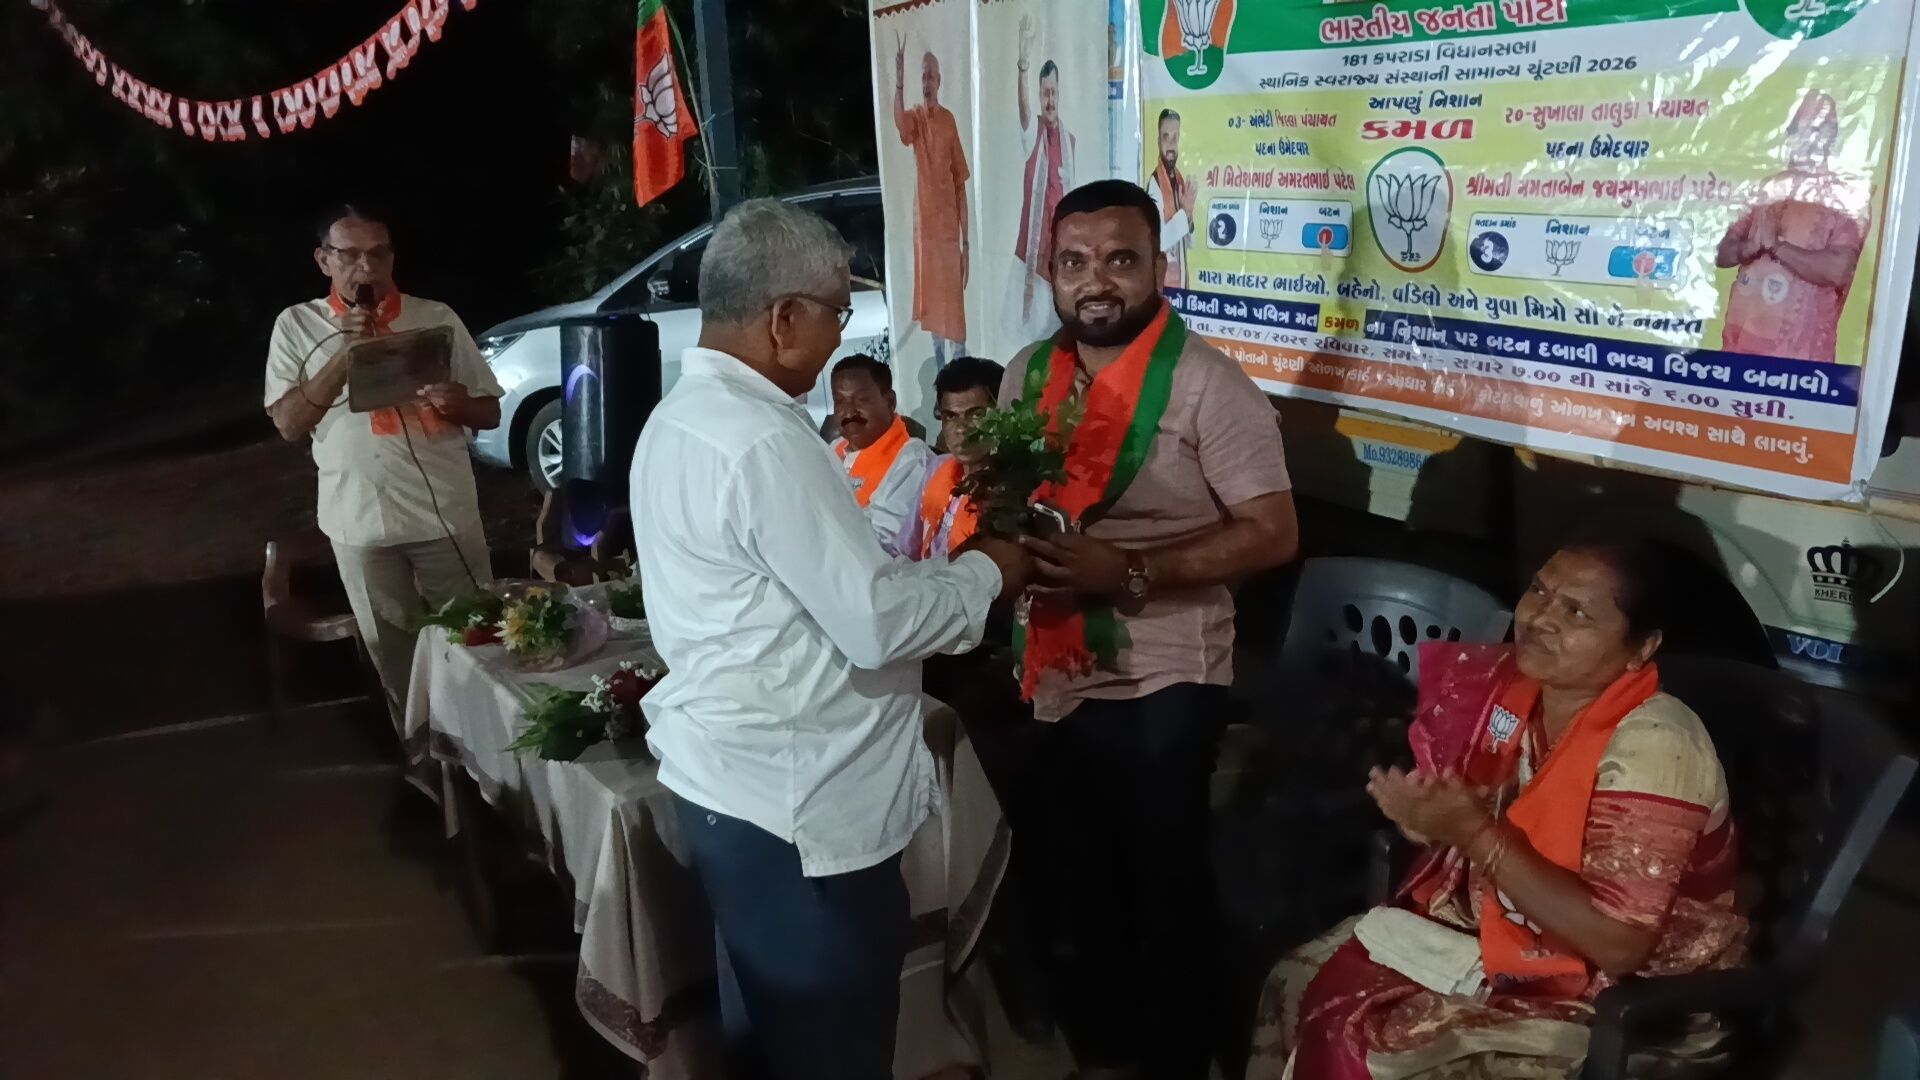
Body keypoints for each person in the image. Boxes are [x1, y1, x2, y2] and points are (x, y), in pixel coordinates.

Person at [627, 199, 1031, 1080]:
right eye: (837, 314)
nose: (841, 335)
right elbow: (876, 620)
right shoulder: (763, 442)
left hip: (737, 784)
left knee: (770, 1037)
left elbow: (828, 592)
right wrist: (988, 572)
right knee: (831, 1048)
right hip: (796, 807)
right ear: (783, 318)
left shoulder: (680, 417)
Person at [1246, 542, 1747, 1080]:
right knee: (1295, 979)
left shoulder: (1656, 748)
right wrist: (1430, 821)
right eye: (1539, 591)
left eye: (1576, 612)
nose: (1540, 618)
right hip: (1493, 927)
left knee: (1386, 1048)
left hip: (1625, 996)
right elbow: (1479, 818)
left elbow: (1619, 945)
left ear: (1641, 647)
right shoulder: (1507, 692)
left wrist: (1473, 833)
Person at [1004, 179, 1299, 1079]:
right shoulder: (1027, 376)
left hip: (1166, 666)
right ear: (1051, 272)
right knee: (1075, 882)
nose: (1097, 282)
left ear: (1158, 268)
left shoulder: (1209, 384)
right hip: (1054, 662)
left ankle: (1178, 1062)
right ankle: (1105, 1058)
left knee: (1162, 890)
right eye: (1075, 262)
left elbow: (1274, 532)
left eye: (1120, 260)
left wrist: (1131, 570)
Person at [263, 204, 502, 718]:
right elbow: (288, 423)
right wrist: (345, 354)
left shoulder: (435, 317)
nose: (366, 267)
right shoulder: (297, 325)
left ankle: (488, 749)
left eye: (377, 254)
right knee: (396, 656)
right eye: (350, 255)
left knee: (478, 642)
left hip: (444, 512)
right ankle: (421, 749)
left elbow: (489, 411)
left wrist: (458, 403)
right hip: (360, 521)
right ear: (324, 260)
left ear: (393, 258)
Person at [1715, 90, 1868, 364]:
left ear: (1832, 138)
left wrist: (1778, 247)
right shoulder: (1767, 188)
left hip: (1798, 362)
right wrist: (1747, 248)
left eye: (1819, 130)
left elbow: (1838, 270)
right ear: (1790, 133)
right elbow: (1722, 254)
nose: (1810, 138)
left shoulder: (1845, 197)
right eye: (1803, 129)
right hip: (1737, 351)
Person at [891, 38, 971, 368]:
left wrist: (967, 242)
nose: (927, 82)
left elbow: (960, 183)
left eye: (931, 76)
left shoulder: (948, 121)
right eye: (923, 76)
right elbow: (900, 124)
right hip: (926, 231)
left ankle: (961, 366)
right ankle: (941, 370)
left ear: (939, 81)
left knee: (953, 303)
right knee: (934, 303)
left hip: (949, 231)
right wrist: (898, 82)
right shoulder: (916, 117)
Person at [889, 355, 1004, 561]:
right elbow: (903, 548)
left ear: (1002, 414)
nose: (961, 429)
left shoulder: (1012, 490)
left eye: (976, 415)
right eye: (950, 416)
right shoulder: (937, 468)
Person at [1005, 15, 1077, 342]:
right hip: (1031, 264)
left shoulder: (1070, 143)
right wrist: (1023, 66)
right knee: (1027, 344)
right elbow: (1022, 109)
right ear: (1038, 94)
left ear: (1059, 94)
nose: (1049, 100)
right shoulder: (1033, 132)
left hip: (1061, 263)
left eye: (1053, 92)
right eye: (1044, 93)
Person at [831, 353, 935, 546]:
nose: (849, 412)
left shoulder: (911, 459)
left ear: (890, 402)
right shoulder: (833, 449)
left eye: (861, 400)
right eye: (840, 401)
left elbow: (883, 542)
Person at [1149, 109, 1198, 290]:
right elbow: (1158, 242)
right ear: (1158, 142)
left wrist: (1189, 215)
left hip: (1182, 283)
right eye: (1166, 137)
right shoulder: (1155, 184)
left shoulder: (1179, 180)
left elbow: (1191, 243)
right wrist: (1184, 212)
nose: (1170, 144)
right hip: (1165, 288)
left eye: (1175, 138)